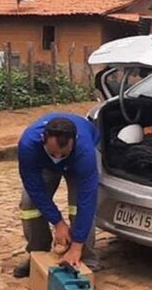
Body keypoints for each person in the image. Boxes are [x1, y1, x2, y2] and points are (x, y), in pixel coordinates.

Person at [13, 114, 101, 277]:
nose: (58, 158)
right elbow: (35, 188)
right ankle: (37, 254)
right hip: (44, 165)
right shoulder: (28, 145)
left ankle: (85, 259)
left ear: (74, 141)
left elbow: (87, 200)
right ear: (43, 139)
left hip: (77, 165)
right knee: (29, 205)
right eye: (53, 153)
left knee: (79, 207)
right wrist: (58, 223)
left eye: (63, 153)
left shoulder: (84, 151)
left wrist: (76, 246)